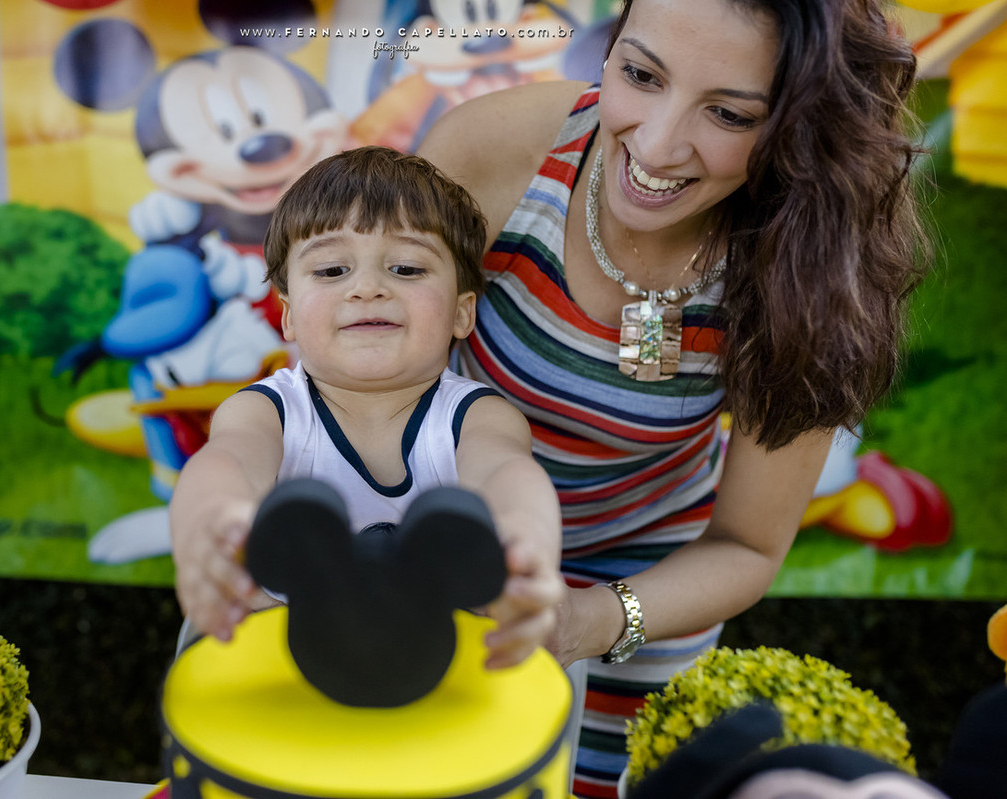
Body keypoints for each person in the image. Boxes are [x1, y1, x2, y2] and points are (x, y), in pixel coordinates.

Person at [416, 0, 929, 795]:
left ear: (803, 127)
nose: (655, 144)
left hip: (643, 594)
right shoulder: (494, 150)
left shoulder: (813, 258)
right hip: (433, 543)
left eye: (727, 113)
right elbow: (359, 387)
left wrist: (589, 619)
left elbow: (748, 547)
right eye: (640, 74)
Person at [169, 145, 565, 670]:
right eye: (332, 270)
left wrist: (525, 542)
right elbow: (227, 463)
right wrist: (211, 523)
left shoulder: (475, 416)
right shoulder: (269, 411)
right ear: (287, 317)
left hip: (442, 675)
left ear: (462, 312)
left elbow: (506, 472)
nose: (368, 288)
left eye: (405, 267)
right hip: (272, 665)